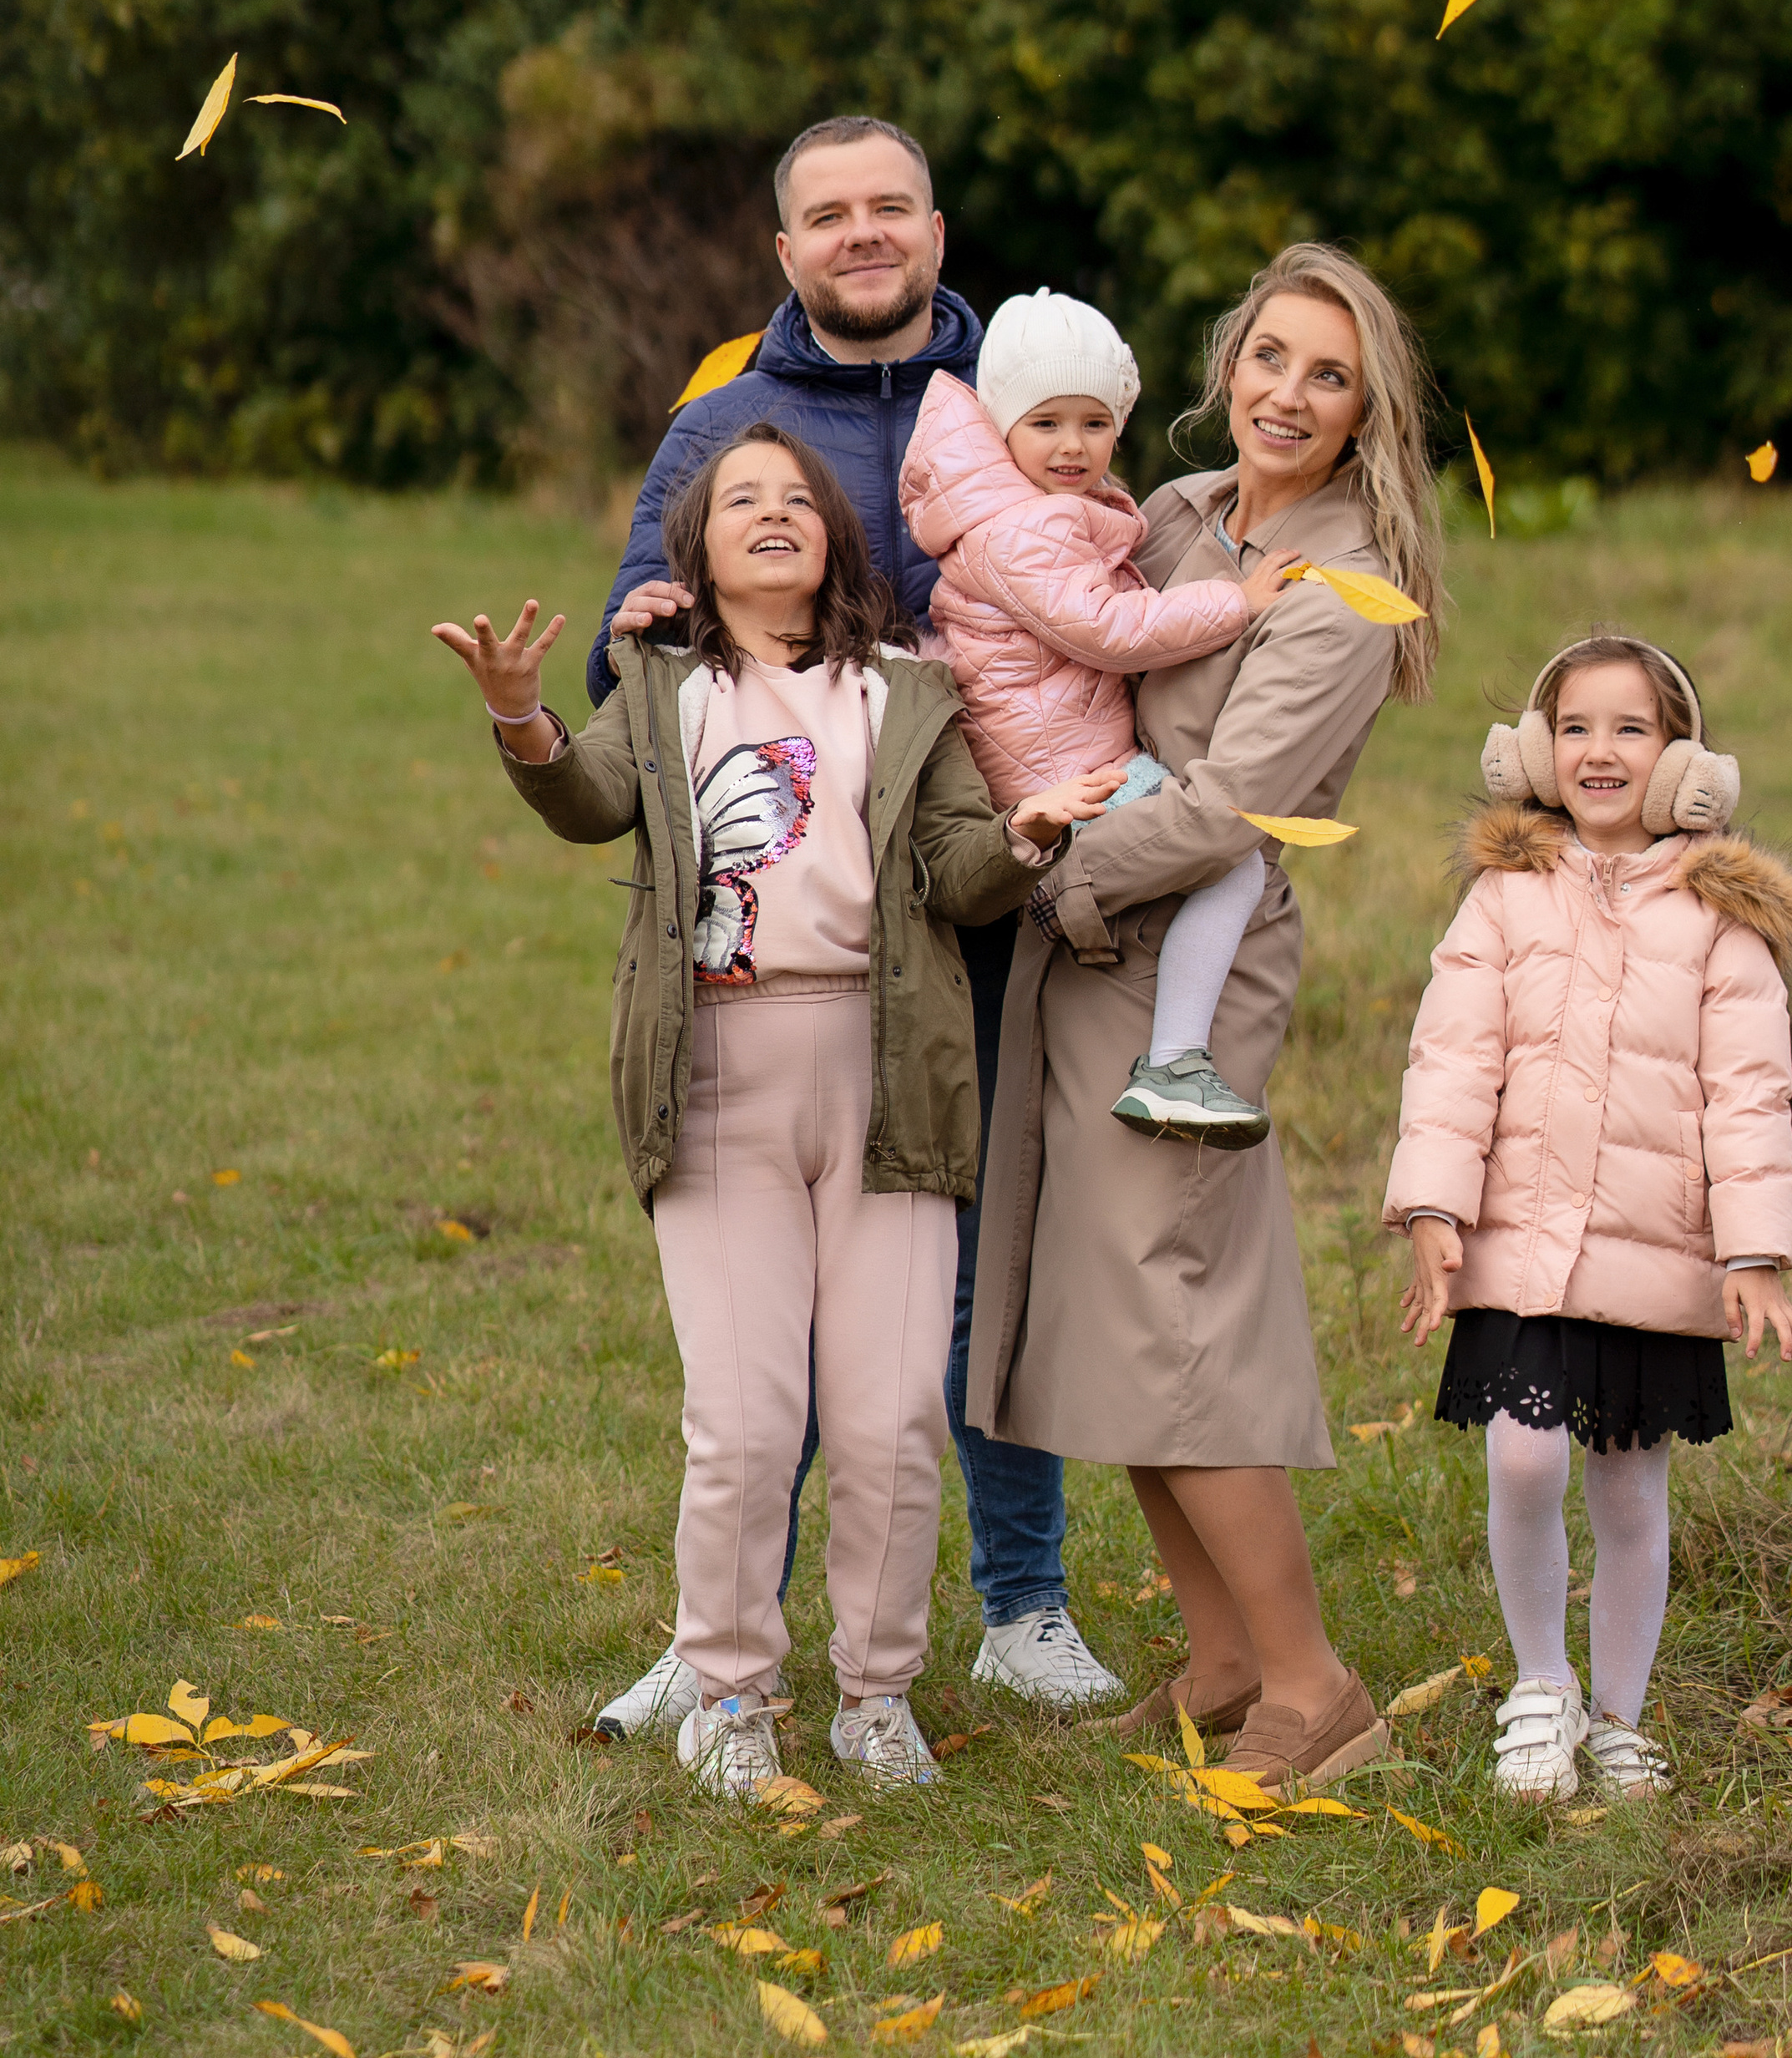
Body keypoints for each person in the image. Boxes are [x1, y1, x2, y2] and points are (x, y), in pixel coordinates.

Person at [431, 427, 1114, 1797]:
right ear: (696, 550)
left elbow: (957, 869)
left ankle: (877, 1697)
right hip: (717, 1082)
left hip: (890, 1080)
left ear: (835, 538)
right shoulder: (661, 683)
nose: (772, 513)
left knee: (889, 1422)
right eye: (740, 499)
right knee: (745, 1422)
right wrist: (522, 717)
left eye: (796, 497)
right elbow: (589, 800)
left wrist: (1029, 831)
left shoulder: (906, 689)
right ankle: (732, 1694)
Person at [590, 116, 1121, 1721]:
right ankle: (723, 1628)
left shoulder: (1017, 392)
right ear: (786, 251)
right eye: (830, 215)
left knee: (977, 1272)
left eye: (892, 206)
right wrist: (637, 632)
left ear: (938, 232)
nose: (863, 233)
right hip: (795, 929)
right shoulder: (724, 426)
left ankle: (1021, 1602)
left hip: (994, 886)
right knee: (785, 1310)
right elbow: (634, 653)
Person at [965, 242, 1442, 1794]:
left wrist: (1055, 881)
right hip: (1093, 938)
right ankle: (1224, 1660)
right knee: (1116, 1316)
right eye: (1270, 357)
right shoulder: (1171, 514)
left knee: (1174, 1318)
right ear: (1229, 361)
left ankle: (1315, 1683)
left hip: (1186, 960)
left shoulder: (1344, 584)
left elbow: (1237, 804)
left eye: (1329, 376)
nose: (1288, 395)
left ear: (1367, 413)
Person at [1386, 632, 1792, 1802]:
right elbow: (1452, 1059)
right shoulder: (1504, 895)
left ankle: (1618, 1716)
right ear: (1535, 752)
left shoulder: (1719, 918)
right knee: (1523, 1456)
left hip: (1655, 1249)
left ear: (1681, 762)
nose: (1600, 751)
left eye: (1631, 728)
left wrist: (1754, 1252)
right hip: (1521, 1241)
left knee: (1627, 1488)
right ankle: (1541, 1686)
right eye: (1574, 727)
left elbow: (1747, 1092)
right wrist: (1431, 1203)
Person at [900, 286, 1298, 1151]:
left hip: (1054, 756)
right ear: (1002, 427)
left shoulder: (1017, 512)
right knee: (1232, 859)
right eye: (1045, 423)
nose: (1072, 445)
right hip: (1057, 776)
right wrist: (1236, 602)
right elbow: (1109, 629)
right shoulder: (1020, 531)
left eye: (1094, 422)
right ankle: (1175, 1061)